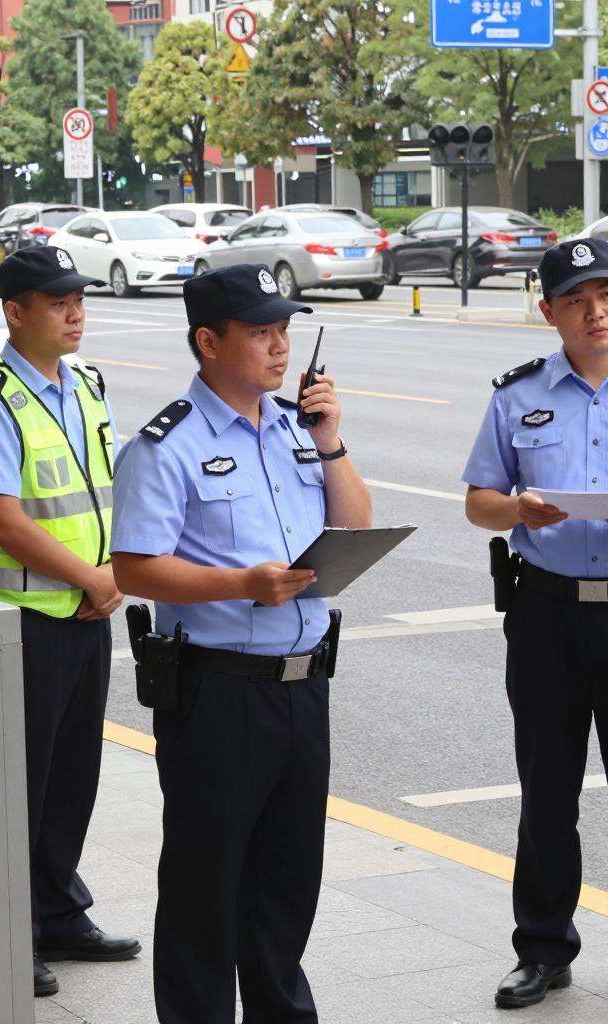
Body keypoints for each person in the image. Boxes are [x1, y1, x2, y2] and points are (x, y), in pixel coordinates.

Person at [109, 263, 371, 1024]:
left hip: (303, 686)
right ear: (208, 341)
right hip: (216, 689)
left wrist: (331, 441)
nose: (281, 346)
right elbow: (134, 567)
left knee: (288, 880)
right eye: (261, 332)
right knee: (206, 883)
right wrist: (241, 584)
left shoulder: (295, 428)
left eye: (285, 330)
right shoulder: (166, 445)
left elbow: (354, 523)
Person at [462, 238, 608, 1011]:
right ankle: (541, 950)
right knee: (547, 787)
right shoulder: (517, 394)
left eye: (607, 294)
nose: (595, 311)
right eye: (575, 299)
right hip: (547, 612)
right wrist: (518, 509)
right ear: (549, 312)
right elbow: (478, 502)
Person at [0, 246, 140, 997]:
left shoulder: (85, 385)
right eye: (58, 303)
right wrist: (91, 577)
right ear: (15, 311)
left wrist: (111, 575)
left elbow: (106, 488)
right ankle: (9, 929)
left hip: (86, 612)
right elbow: (2, 518)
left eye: (79, 300)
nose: (75, 314)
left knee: (71, 777)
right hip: (20, 622)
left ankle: (58, 912)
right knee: (16, 787)